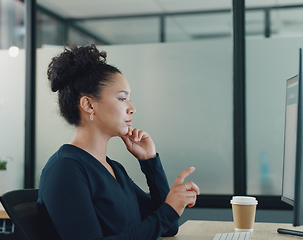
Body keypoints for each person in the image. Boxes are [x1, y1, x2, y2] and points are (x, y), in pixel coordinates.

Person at [36, 44, 200, 240]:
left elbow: (168, 228)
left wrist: (150, 162)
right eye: (122, 99)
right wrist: (170, 209)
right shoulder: (65, 169)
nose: (132, 108)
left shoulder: (114, 169)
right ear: (88, 105)